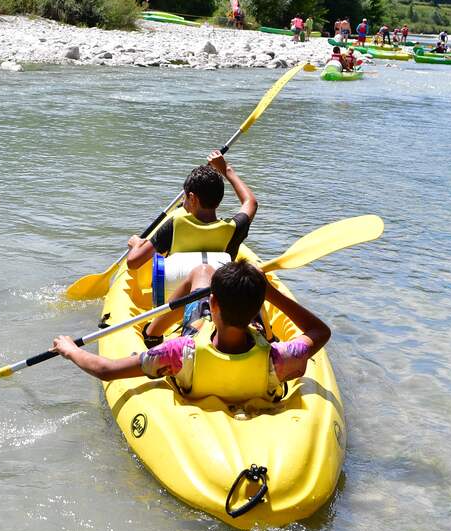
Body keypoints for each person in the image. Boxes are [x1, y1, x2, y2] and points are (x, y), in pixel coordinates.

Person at [52, 260, 332, 405]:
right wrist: (271, 294)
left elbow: (106, 370)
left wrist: (71, 349)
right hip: (253, 339)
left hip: (198, 336)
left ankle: (153, 330)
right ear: (260, 306)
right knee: (214, 283)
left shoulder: (178, 353)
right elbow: (320, 331)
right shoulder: (280, 358)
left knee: (202, 273)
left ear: (213, 304)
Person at [126, 152, 257, 305]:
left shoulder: (175, 224)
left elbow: (133, 262)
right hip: (219, 301)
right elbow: (251, 202)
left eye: (185, 197)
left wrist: (136, 244)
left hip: (176, 305)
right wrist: (226, 169)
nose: (183, 201)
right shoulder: (233, 228)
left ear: (193, 198)